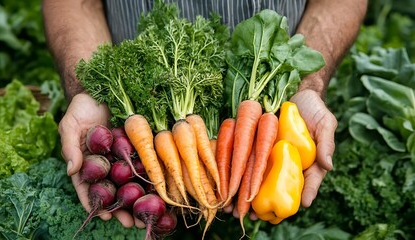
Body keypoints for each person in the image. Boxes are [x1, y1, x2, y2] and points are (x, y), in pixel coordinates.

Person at [42, 0, 368, 229]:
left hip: (270, 127)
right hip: (143, 141)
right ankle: (186, 191)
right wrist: (90, 91)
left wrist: (305, 87)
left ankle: (215, 193)